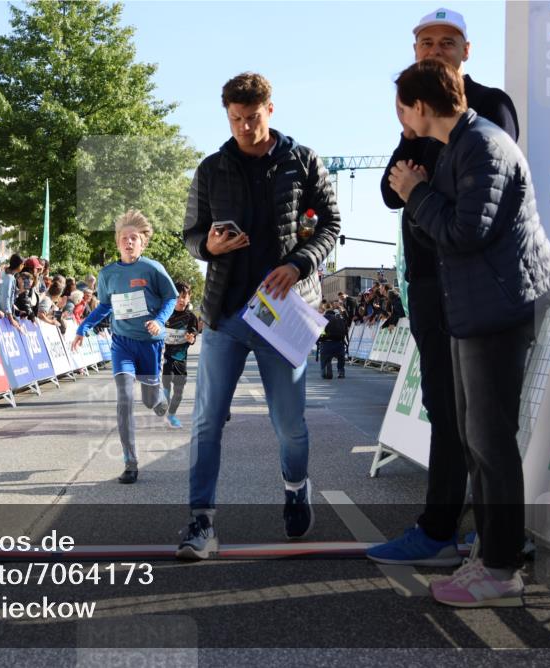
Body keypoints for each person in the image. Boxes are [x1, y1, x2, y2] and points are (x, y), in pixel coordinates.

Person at [387, 58, 550, 607]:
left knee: (490, 442)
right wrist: (420, 194)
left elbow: (466, 232)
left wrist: (416, 192)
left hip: (498, 309)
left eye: (401, 108)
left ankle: (502, 568)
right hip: (475, 309)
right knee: (478, 439)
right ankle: (490, 556)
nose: (398, 120)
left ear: (419, 106)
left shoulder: (483, 144)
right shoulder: (461, 144)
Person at [370, 7, 523, 571]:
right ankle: (450, 532)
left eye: (446, 41)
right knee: (446, 408)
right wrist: (414, 144)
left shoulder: (487, 106)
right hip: (430, 281)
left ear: (466, 50)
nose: (434, 49)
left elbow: (477, 194)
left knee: (481, 420)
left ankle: (486, 540)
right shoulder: (415, 109)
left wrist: (421, 166)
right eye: (424, 42)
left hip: (477, 282)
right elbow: (391, 192)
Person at [178, 71, 340, 558]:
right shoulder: (211, 168)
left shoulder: (304, 161)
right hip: (226, 312)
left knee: (289, 424)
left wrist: (299, 263)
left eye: (251, 118)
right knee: (206, 420)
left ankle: (295, 489)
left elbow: (331, 225)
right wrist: (206, 244)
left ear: (270, 110)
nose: (244, 128)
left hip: (283, 311)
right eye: (234, 120)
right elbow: (191, 234)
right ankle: (201, 521)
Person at [72, 210, 178, 484]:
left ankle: (160, 400)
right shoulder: (108, 274)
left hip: (150, 344)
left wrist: (159, 320)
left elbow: (170, 297)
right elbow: (105, 305)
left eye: (134, 238)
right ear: (117, 243)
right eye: (123, 238)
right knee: (125, 398)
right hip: (122, 344)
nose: (128, 242)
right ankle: (130, 462)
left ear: (143, 243)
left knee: (149, 400)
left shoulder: (153, 269)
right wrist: (84, 327)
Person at [161, 282, 199, 429]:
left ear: (189, 298)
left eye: (184, 297)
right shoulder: (166, 314)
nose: (181, 300)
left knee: (179, 392)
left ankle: (171, 415)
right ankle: (163, 402)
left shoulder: (190, 317)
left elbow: (193, 334)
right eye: (178, 297)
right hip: (167, 357)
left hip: (181, 359)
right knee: (166, 385)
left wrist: (191, 338)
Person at [320, 308, 347, 379]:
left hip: (327, 343)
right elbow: (345, 332)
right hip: (339, 344)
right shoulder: (339, 319)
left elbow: (321, 332)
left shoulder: (323, 319)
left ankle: (326, 369)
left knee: (325, 358)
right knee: (341, 358)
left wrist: (320, 339)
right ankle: (341, 371)